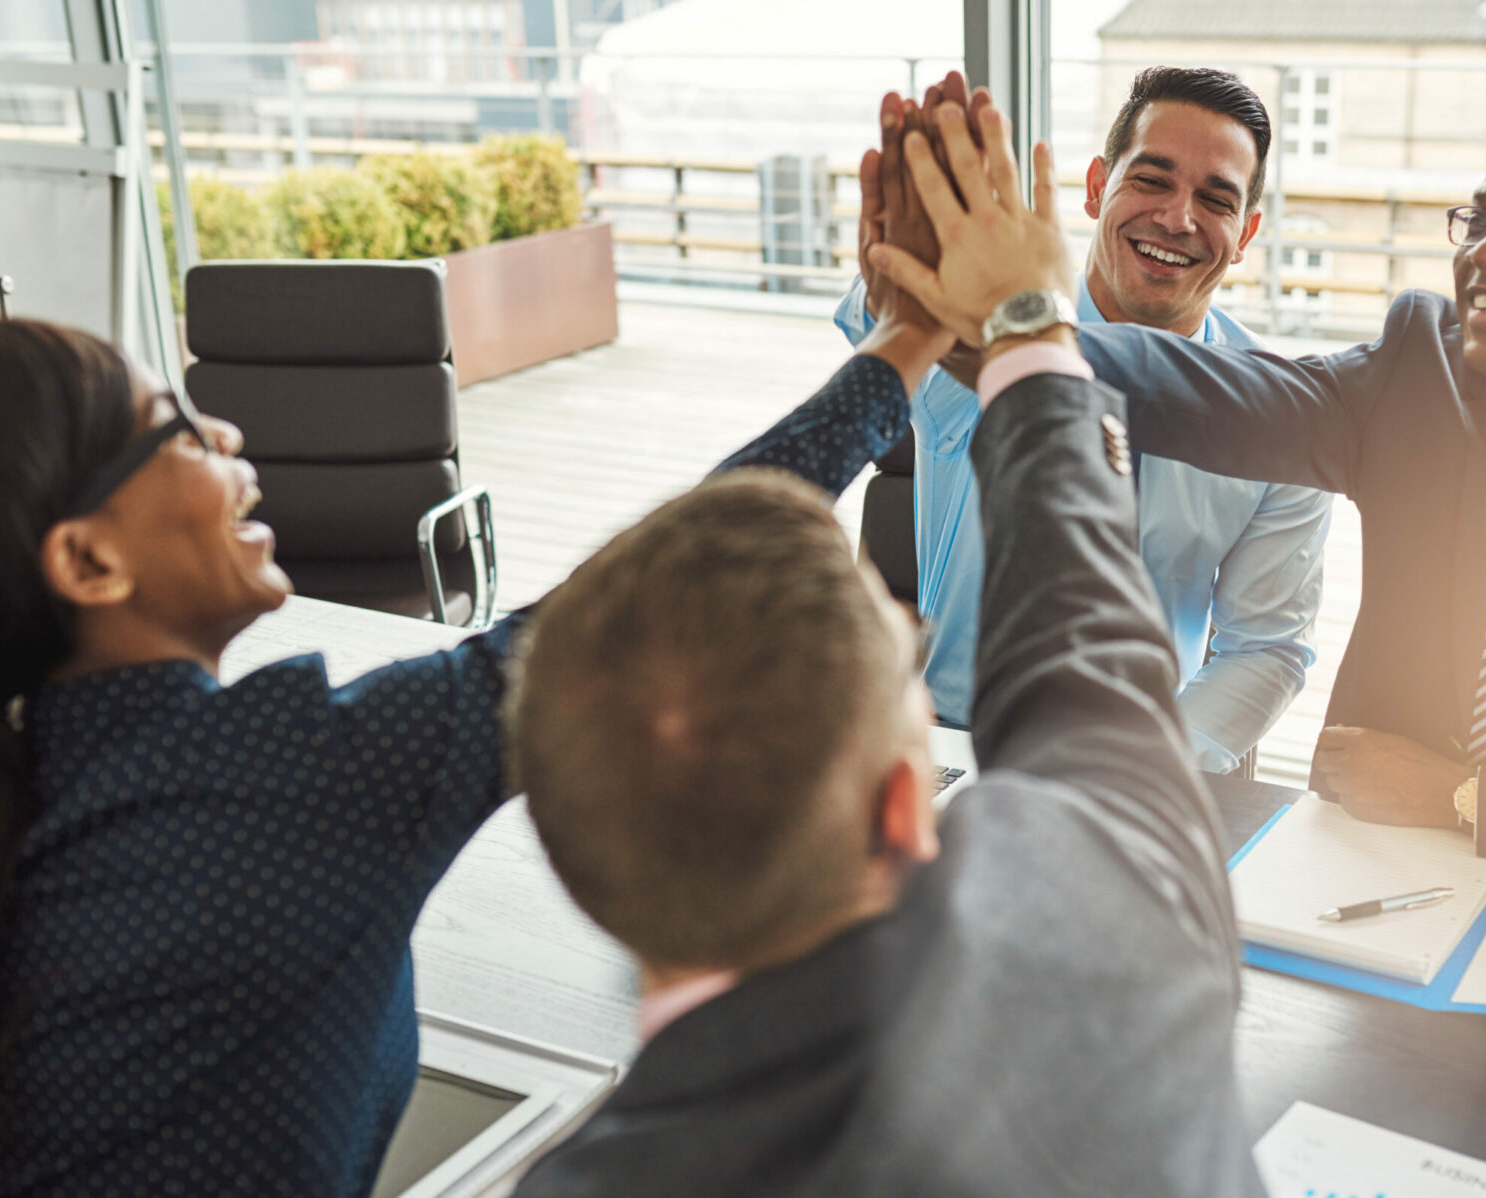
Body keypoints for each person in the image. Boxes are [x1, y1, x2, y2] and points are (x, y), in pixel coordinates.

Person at [0, 303, 933, 1193]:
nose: (226, 430)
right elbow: (649, 605)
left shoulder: (7, 803)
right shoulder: (278, 780)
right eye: (178, 430)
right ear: (89, 561)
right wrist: (910, 338)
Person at [509, 93, 1259, 1196]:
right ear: (908, 811)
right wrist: (1030, 318)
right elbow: (1090, 662)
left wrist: (921, 328)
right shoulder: (1115, 931)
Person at [877, 112, 1486, 893]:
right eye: (1479, 222)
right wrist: (989, 322)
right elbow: (1201, 393)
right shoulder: (1420, 374)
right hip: (1372, 892)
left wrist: (1467, 795)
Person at [836, 68, 1328, 772]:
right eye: (1152, 180)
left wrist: (1145, 770)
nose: (1178, 218)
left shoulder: (1280, 418)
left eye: (1215, 199)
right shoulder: (988, 321)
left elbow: (1266, 648)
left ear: (1246, 232)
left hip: (1138, 757)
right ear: (1097, 186)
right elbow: (876, 312)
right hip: (950, 740)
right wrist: (929, 267)